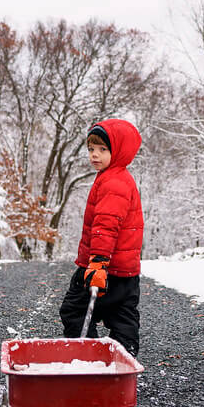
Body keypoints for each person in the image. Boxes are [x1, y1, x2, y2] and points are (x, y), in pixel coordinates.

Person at [58, 119, 144, 356]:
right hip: (126, 273)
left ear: (118, 151)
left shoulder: (113, 182)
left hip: (102, 267)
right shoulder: (119, 177)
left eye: (103, 149)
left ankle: (88, 359)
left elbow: (106, 226)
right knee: (122, 318)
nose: (94, 155)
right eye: (91, 149)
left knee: (74, 310)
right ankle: (123, 365)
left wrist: (97, 263)